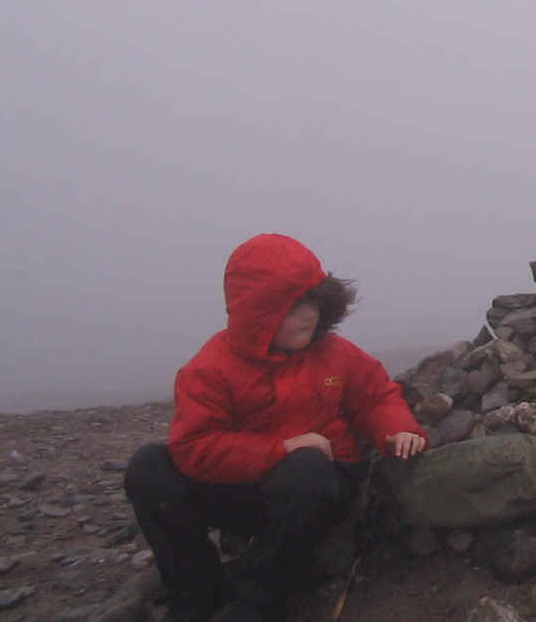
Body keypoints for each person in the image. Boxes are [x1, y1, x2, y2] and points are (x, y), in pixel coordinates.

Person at [124, 234, 427, 622]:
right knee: (149, 466)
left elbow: (377, 397)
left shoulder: (336, 354)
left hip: (317, 494)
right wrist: (281, 450)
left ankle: (256, 600)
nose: (308, 315)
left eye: (313, 301)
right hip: (246, 488)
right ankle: (196, 595)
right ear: (257, 314)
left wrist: (399, 431)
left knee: (309, 467)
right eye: (291, 307)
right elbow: (195, 447)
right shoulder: (209, 369)